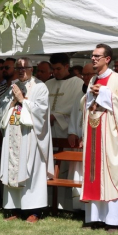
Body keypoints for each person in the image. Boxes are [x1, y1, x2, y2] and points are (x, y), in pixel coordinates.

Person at [81, 44, 118, 232]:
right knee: (94, 174)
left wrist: (105, 94)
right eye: (92, 55)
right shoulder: (93, 80)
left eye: (97, 56)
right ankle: (96, 218)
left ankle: (114, 220)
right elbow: (86, 103)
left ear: (107, 59)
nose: (93, 59)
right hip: (94, 133)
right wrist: (89, 96)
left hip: (112, 137)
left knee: (113, 174)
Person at [0, 57, 54, 223]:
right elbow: (3, 108)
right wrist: (14, 100)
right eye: (18, 68)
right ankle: (14, 209)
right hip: (13, 134)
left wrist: (23, 100)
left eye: (25, 68)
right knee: (13, 170)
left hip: (30, 135)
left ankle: (34, 211)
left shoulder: (40, 87)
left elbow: (42, 112)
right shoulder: (12, 86)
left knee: (31, 171)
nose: (21, 71)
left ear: (32, 69)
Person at [45, 53, 84, 210]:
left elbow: (76, 106)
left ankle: (65, 205)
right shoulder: (48, 84)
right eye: (53, 69)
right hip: (48, 132)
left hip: (65, 131)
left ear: (67, 66)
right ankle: (48, 202)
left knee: (65, 169)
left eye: (59, 69)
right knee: (48, 167)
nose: (55, 72)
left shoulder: (77, 83)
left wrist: (57, 116)